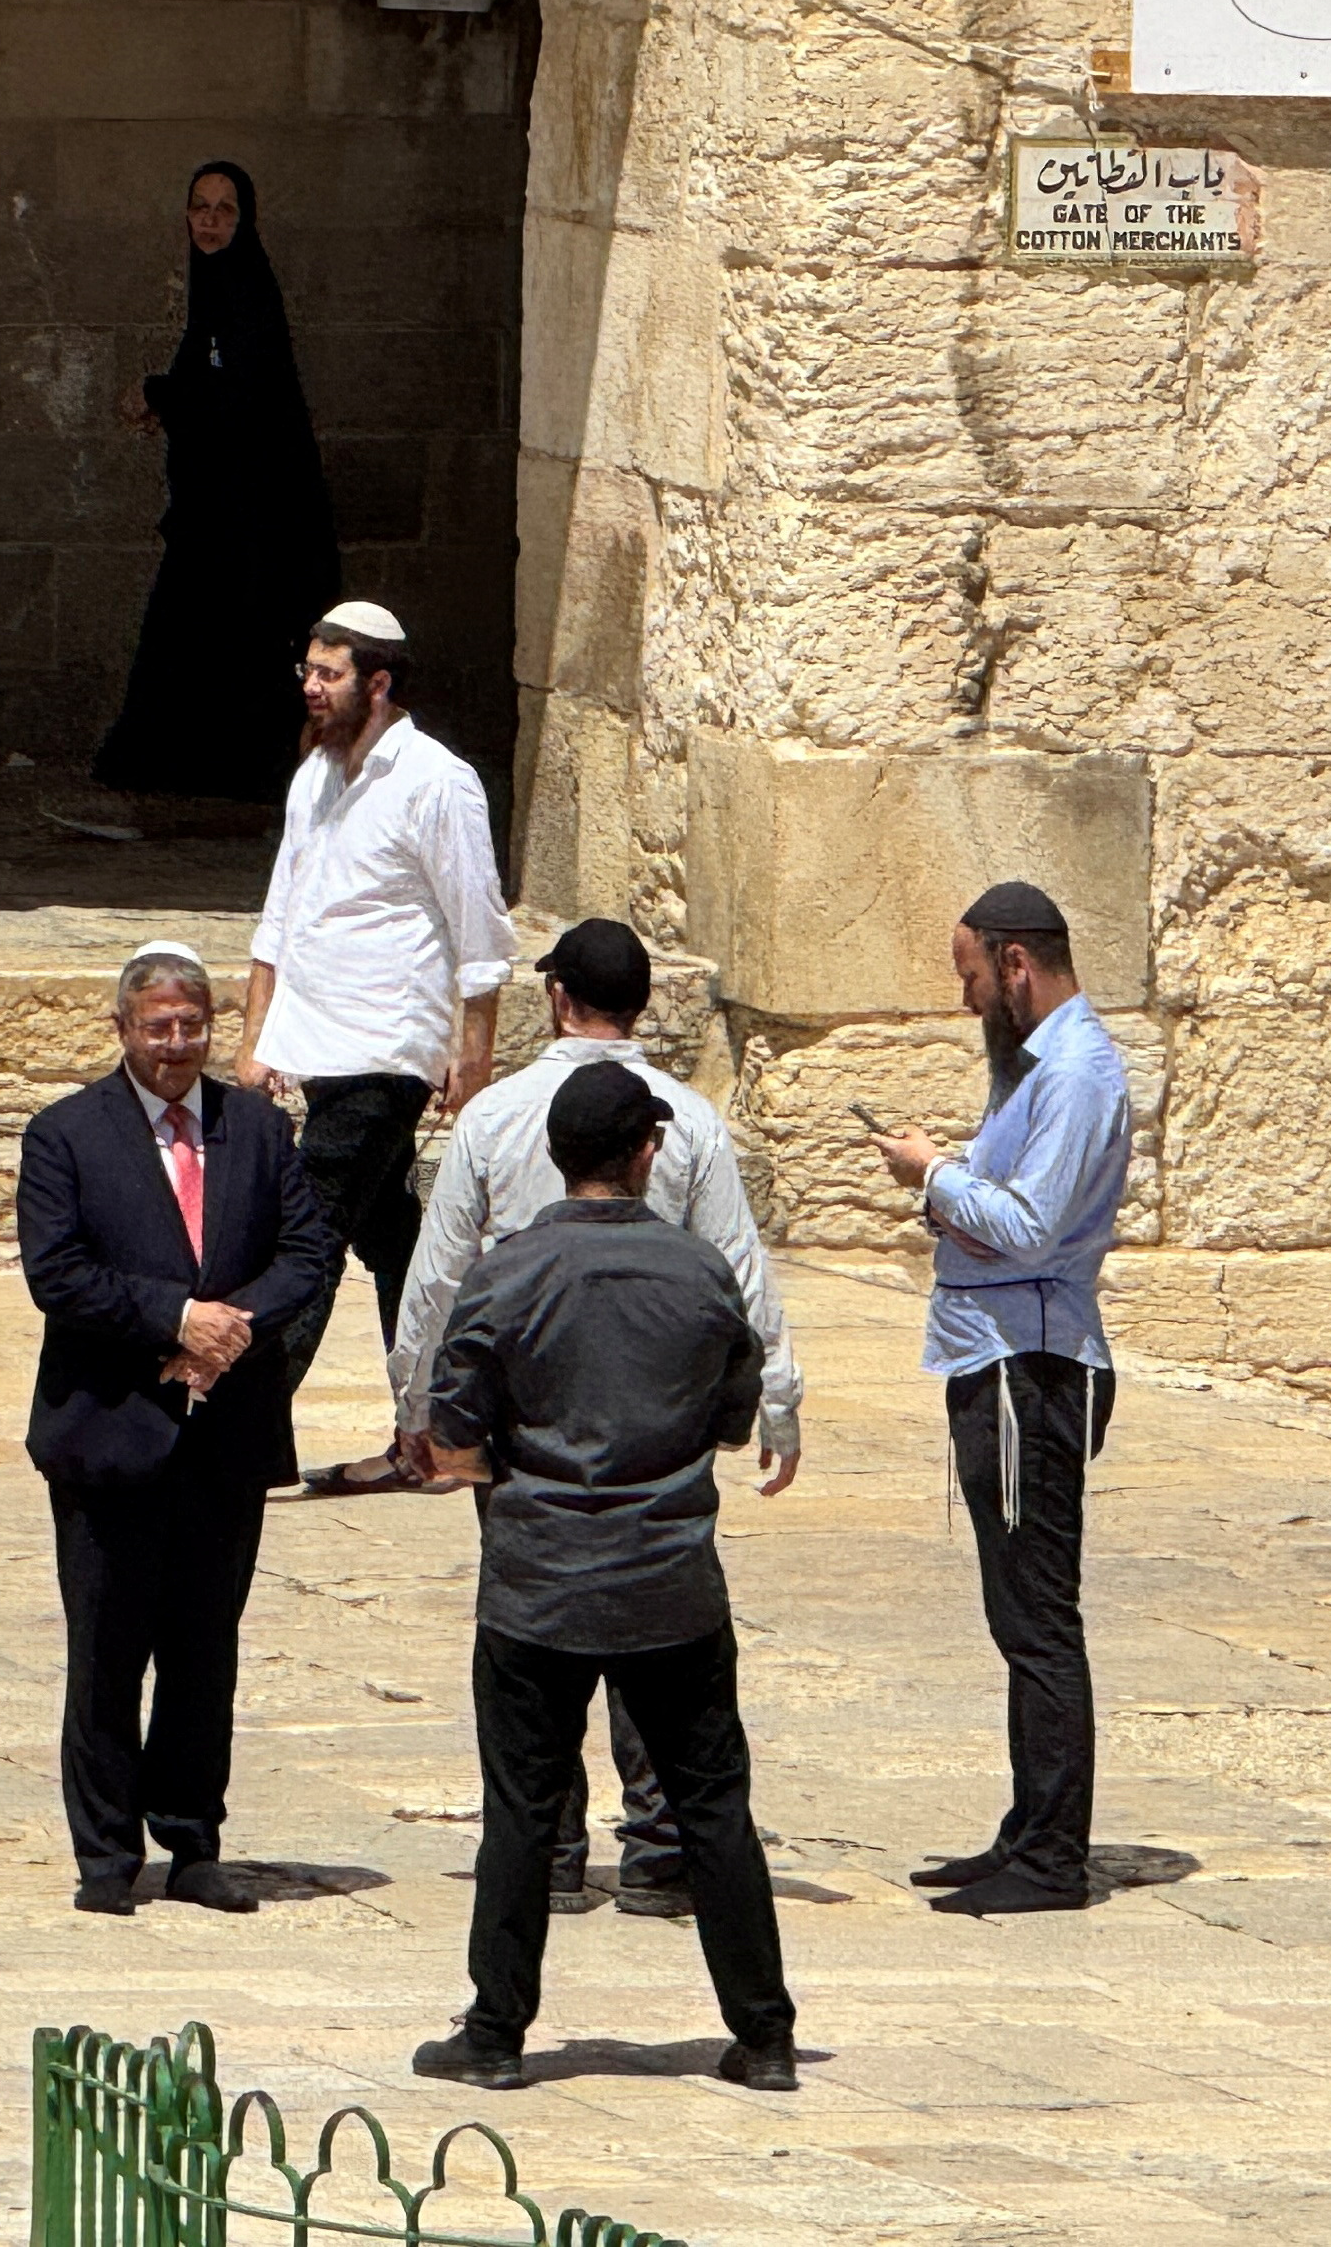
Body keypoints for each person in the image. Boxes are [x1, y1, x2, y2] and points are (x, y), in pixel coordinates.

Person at [373, 919, 807, 1918]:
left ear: (559, 997)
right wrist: (774, 1406)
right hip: (655, 1408)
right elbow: (739, 1272)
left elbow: (438, 1279)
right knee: (658, 1618)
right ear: (642, 1004)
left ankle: (548, 1843)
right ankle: (658, 1847)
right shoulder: (689, 1122)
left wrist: (419, 1411)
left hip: (524, 1414)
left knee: (531, 1617)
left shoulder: (492, 1120)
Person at [409, 1063, 799, 2096]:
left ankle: (495, 2032)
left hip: (539, 1579)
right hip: (669, 1575)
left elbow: (456, 1427)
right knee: (713, 1806)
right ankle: (763, 2037)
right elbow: (730, 1410)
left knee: (523, 1815)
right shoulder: (701, 1271)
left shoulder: (505, 1273)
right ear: (645, 1153)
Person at [15, 943, 335, 1917]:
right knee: (108, 1647)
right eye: (157, 1028)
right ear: (122, 1030)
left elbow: (309, 1249)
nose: (175, 1045)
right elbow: (57, 1272)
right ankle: (106, 1853)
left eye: (192, 1027)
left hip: (222, 1436)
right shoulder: (67, 1135)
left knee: (205, 1647)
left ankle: (193, 1839)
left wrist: (227, 1330)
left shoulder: (259, 1131)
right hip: (110, 1431)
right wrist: (172, 1319)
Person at [868, 881, 1131, 1918]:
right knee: (1015, 1612)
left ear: (1016, 964)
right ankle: (1029, 1829)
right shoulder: (1041, 1069)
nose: (971, 996)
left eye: (972, 975)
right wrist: (952, 1180)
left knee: (1038, 1618)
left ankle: (1054, 1856)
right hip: (996, 1357)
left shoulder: (1074, 1070)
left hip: (1033, 1369)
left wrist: (935, 1175)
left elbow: (1028, 1228)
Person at [239, 603, 516, 1397]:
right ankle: (435, 1410)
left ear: (379, 683)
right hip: (316, 1042)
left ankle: (251, 1428)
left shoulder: (437, 782)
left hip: (387, 1047)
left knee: (311, 1231)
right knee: (393, 1237)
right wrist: (258, 1038)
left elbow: (479, 928)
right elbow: (282, 915)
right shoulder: (315, 776)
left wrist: (475, 1054)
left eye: (331, 675)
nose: (313, 689)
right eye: (309, 673)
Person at [95, 161, 342, 802]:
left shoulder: (244, 287)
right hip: (223, 514)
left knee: (213, 638)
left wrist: (157, 395)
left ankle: (215, 779)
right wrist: (172, 404)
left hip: (249, 519)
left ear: (244, 218)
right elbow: (212, 387)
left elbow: (235, 394)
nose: (208, 220)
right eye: (199, 207)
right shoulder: (220, 286)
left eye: (224, 209)